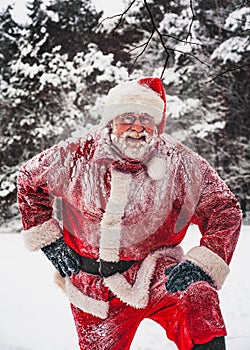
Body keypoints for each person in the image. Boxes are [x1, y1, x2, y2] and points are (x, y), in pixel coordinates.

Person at [17, 77, 242, 350]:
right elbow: (28, 179)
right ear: (111, 120)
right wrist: (47, 238)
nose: (137, 127)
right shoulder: (76, 156)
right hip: (95, 290)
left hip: (157, 275)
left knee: (198, 297)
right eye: (128, 117)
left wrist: (203, 264)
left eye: (146, 119)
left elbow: (224, 208)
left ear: (157, 125)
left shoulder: (178, 161)